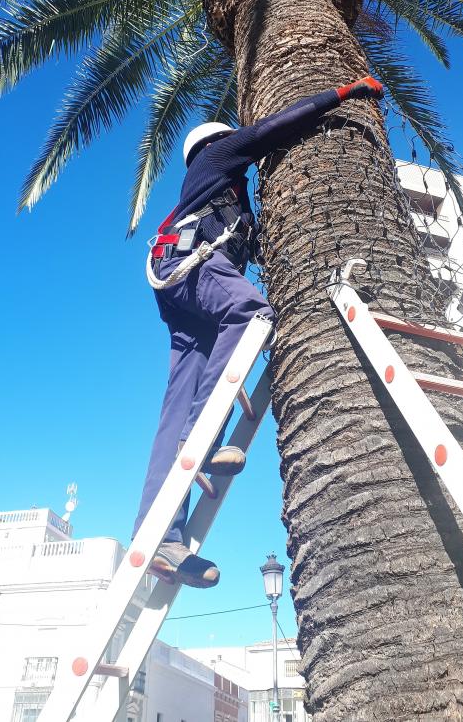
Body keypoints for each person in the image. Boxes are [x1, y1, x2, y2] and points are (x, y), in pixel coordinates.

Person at [132, 77, 384, 589]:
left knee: (177, 404)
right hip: (193, 270)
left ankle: (161, 538)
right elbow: (272, 128)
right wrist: (342, 93)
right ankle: (198, 444)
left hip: (182, 288)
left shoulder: (227, 205)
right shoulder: (216, 158)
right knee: (250, 313)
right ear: (216, 142)